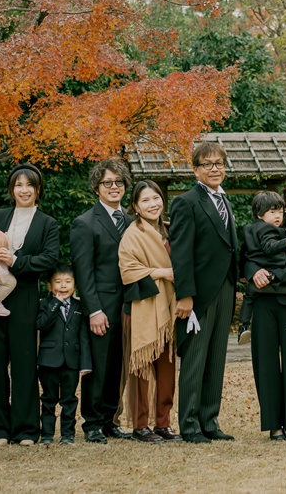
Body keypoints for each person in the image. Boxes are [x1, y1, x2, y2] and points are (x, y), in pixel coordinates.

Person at [0, 163, 60, 446]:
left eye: (29, 185)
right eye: (18, 185)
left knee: (25, 362)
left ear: (38, 189)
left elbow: (49, 259)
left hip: (26, 295)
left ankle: (26, 429)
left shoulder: (47, 223)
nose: (23, 190)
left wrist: (17, 261)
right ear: (11, 189)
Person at [170, 141, 239, 444]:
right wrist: (185, 295)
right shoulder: (186, 202)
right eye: (208, 164)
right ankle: (189, 425)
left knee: (216, 358)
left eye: (219, 163)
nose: (215, 169)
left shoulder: (225, 201)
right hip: (198, 294)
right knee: (195, 359)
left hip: (224, 288)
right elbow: (181, 252)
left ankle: (209, 421)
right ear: (195, 169)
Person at [71, 158, 136, 444]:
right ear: (97, 187)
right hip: (102, 307)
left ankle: (110, 419)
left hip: (131, 305)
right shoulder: (84, 223)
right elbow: (83, 272)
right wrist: (94, 310)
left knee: (117, 367)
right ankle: (93, 423)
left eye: (118, 182)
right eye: (107, 183)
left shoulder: (133, 222)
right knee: (98, 366)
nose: (114, 187)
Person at [244, 185, 286, 440]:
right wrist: (254, 271)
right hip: (264, 306)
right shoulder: (265, 227)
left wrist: (273, 275)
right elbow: (247, 255)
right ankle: (273, 424)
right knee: (266, 364)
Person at [117, 180, 182, 444]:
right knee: (142, 369)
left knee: (166, 369)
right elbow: (128, 271)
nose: (152, 204)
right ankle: (141, 425)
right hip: (141, 308)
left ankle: (163, 423)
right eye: (145, 200)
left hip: (169, 308)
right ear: (135, 206)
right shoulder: (132, 234)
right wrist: (163, 272)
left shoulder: (170, 231)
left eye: (156, 198)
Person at [37, 266, 91, 445]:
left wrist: (85, 363)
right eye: (58, 282)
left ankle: (68, 435)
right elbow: (42, 325)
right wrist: (55, 304)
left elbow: (83, 337)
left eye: (68, 282)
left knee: (69, 400)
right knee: (48, 399)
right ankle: (47, 434)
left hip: (71, 361)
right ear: (49, 286)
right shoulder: (44, 304)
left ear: (75, 286)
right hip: (49, 361)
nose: (63, 286)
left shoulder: (79, 307)